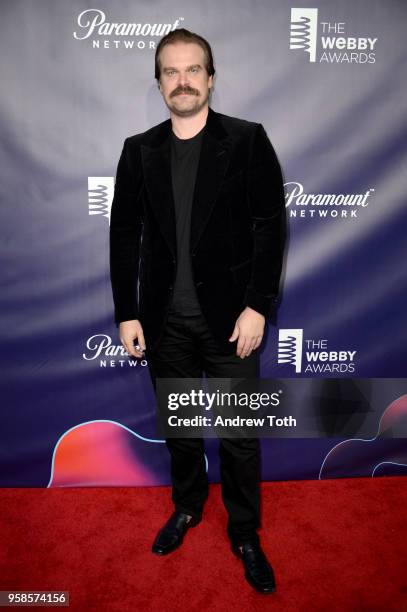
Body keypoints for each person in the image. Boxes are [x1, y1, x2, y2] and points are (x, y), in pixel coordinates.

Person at [109, 28, 286, 594]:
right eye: (170, 71)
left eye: (193, 70)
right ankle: (186, 508)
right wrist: (128, 313)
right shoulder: (139, 150)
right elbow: (124, 236)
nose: (182, 81)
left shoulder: (248, 140)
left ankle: (245, 533)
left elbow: (270, 227)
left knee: (238, 436)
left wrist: (258, 306)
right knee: (181, 430)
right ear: (159, 82)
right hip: (164, 323)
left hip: (233, 321)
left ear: (211, 78)